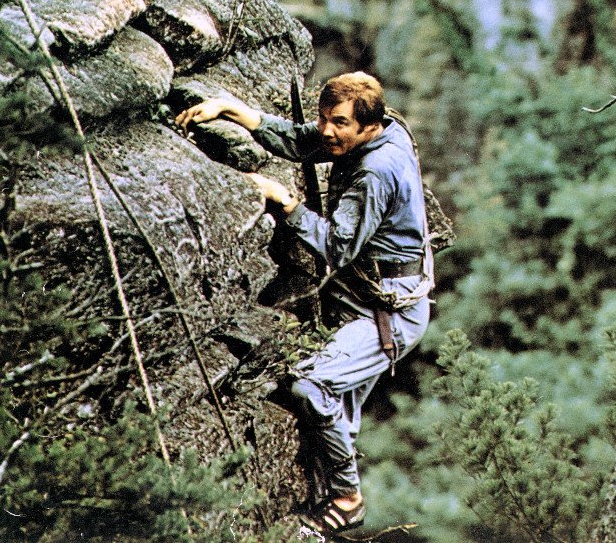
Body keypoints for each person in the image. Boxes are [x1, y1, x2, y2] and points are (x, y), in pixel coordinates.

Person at [175, 72, 432, 534]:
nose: (327, 131)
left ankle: (348, 497)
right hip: (367, 295)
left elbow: (336, 247)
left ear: (368, 126)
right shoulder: (379, 132)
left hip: (390, 312)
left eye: (339, 123)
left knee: (312, 387)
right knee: (336, 409)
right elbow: (303, 142)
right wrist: (234, 111)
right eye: (323, 118)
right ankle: (324, 492)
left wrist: (286, 202)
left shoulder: (375, 172)